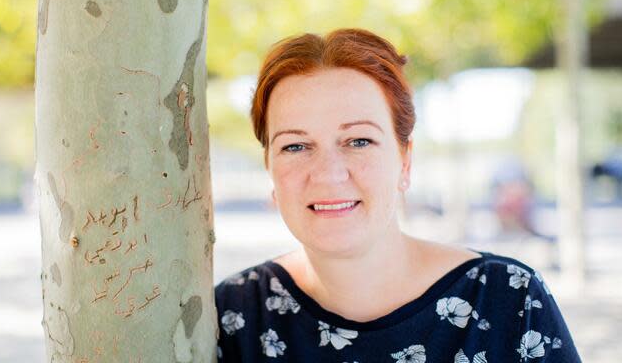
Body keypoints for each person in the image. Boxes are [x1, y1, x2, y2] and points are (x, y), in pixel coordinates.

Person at [214, 28, 581, 362]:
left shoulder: (510, 302)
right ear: (269, 167)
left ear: (404, 161)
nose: (327, 172)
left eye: (359, 141)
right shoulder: (233, 316)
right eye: (295, 146)